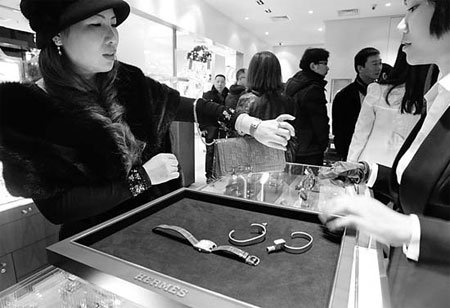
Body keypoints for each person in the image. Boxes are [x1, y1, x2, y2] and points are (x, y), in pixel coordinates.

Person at [0, 0, 295, 240]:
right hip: (97, 242)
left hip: (158, 226)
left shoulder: (127, 81)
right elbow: (58, 208)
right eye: (95, 24)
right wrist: (143, 178)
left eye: (113, 24)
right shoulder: (25, 109)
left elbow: (183, 106)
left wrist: (251, 125)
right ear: (57, 35)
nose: (111, 36)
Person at [320, 1, 450, 307]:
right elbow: (424, 183)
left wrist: (404, 228)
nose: (402, 24)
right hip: (411, 275)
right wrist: (368, 170)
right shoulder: (439, 98)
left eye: (413, 6)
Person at [347, 44, 438, 168]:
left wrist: (350, 167)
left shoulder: (378, 91)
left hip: (370, 165)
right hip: (402, 169)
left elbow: (360, 134)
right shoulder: (431, 98)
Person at [235, 51, 296, 162]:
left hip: (252, 158)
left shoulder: (246, 99)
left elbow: (238, 131)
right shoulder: (288, 100)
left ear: (252, 73)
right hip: (280, 156)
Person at [332, 47, 382, 160]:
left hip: (376, 153)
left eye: (380, 63)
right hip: (352, 154)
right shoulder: (343, 96)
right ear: (360, 68)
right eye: (374, 64)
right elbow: (339, 133)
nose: (379, 68)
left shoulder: (383, 93)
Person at [285, 48, 330, 166]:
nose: (327, 68)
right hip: (311, 149)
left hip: (293, 145)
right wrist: (324, 143)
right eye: (324, 63)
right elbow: (319, 121)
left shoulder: (293, 83)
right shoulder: (314, 88)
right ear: (313, 66)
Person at [201, 74, 229, 183]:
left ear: (225, 82)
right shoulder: (207, 95)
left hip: (223, 128)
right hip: (210, 128)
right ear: (214, 82)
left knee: (221, 151)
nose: (220, 84)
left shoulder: (228, 96)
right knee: (210, 151)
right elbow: (202, 112)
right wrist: (202, 127)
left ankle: (219, 173)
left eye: (222, 81)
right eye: (218, 81)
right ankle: (208, 175)